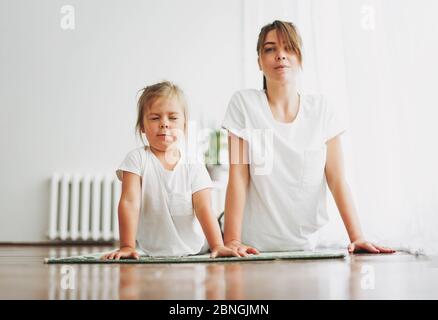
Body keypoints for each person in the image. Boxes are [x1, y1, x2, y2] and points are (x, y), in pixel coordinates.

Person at [221, 20, 396, 256]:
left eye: (288, 48)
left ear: (300, 56)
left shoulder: (322, 109)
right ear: (259, 61)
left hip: (309, 248)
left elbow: (336, 179)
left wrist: (357, 237)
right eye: (270, 49)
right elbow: (238, 177)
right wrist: (232, 240)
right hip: (254, 248)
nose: (280, 55)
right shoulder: (243, 104)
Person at [102, 81, 236, 259]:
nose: (164, 124)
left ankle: (222, 226)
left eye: (172, 118)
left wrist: (217, 245)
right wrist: (127, 246)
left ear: (184, 125)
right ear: (142, 126)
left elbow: (203, 206)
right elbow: (129, 202)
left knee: (220, 224)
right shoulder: (136, 159)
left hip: (196, 246)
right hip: (153, 249)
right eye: (155, 118)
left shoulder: (193, 163)